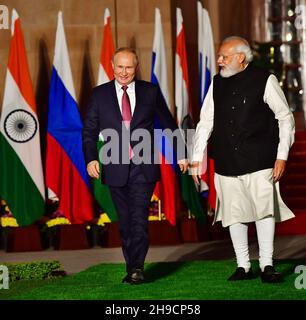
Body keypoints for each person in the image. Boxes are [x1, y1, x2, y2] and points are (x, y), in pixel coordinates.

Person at [191, 36, 295, 283]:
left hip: (261, 159)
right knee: (234, 213)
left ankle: (268, 264)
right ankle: (243, 265)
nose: (219, 61)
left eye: (224, 57)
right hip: (227, 160)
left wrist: (282, 156)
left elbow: (285, 118)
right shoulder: (216, 83)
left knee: (264, 211)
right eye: (219, 56)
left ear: (241, 57)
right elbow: (205, 121)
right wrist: (196, 158)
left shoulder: (265, 79)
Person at [83, 47, 188, 284]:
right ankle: (131, 265)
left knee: (139, 216)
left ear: (136, 67)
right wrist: (91, 158)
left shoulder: (149, 92)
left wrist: (180, 153)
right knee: (126, 220)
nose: (124, 72)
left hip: (144, 166)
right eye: (120, 67)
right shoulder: (99, 95)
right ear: (112, 66)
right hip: (114, 164)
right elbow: (89, 130)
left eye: (129, 67)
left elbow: (169, 123)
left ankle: (137, 268)